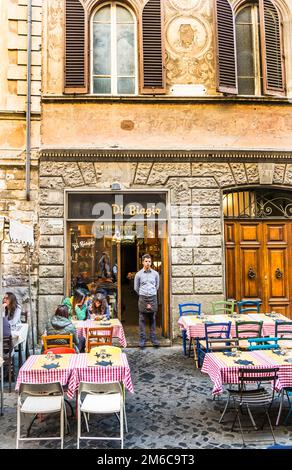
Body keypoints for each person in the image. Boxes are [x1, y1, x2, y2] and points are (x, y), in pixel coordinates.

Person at [134, 254, 160, 349]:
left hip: (153, 297)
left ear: (151, 262)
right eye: (146, 261)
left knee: (152, 318)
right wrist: (143, 294)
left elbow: (157, 286)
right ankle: (142, 339)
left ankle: (154, 339)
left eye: (149, 261)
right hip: (143, 297)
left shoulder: (156, 274)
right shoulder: (138, 274)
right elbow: (136, 288)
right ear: (142, 262)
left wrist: (151, 293)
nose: (148, 263)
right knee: (142, 319)